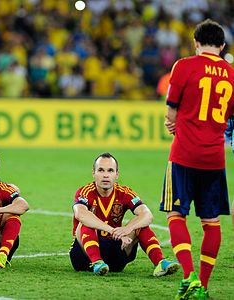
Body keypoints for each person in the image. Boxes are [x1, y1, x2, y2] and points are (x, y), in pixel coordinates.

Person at [160, 19, 234, 300]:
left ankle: (189, 276)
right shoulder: (231, 74)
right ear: (223, 46)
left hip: (183, 154)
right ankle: (202, 285)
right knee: (211, 222)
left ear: (196, 42)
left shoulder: (184, 66)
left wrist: (174, 124)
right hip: (215, 159)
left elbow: (171, 112)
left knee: (176, 214)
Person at [70, 152, 179, 277]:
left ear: (116, 174)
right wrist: (112, 230)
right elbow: (81, 214)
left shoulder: (124, 193)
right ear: (93, 173)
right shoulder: (85, 191)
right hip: (84, 258)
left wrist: (128, 229)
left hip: (115, 255)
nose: (105, 175)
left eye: (110, 170)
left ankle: (160, 262)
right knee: (85, 223)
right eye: (101, 170)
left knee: (140, 224)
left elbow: (147, 215)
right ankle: (97, 262)